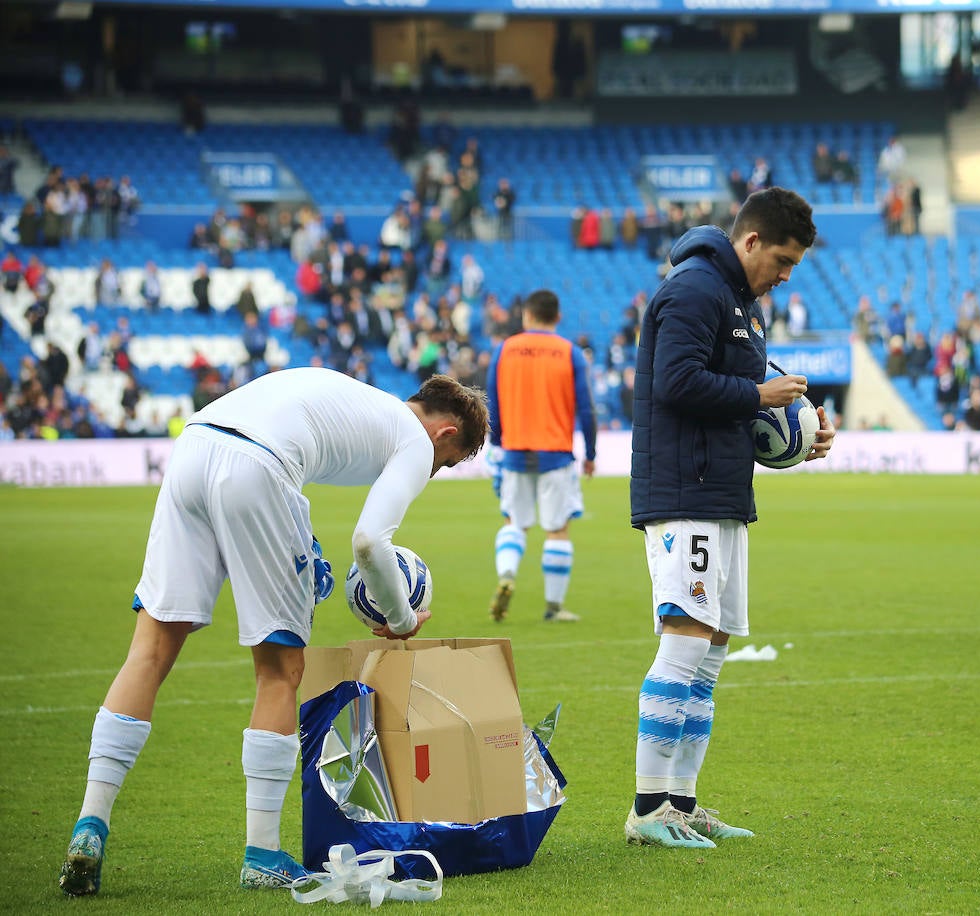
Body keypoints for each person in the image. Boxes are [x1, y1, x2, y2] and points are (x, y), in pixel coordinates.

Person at [58, 368, 489, 897]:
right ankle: (262, 852)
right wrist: (400, 620)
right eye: (443, 466)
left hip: (194, 444)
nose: (431, 472)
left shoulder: (360, 398)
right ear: (446, 435)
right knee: (281, 671)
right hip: (258, 465)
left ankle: (90, 823)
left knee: (148, 651)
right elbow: (370, 542)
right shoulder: (414, 440)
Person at [624, 187, 835, 849]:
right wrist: (758, 394)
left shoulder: (742, 302)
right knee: (684, 645)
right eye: (782, 258)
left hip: (721, 495)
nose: (786, 274)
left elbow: (735, 406)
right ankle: (647, 809)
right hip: (683, 493)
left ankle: (682, 804)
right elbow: (675, 383)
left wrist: (798, 437)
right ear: (749, 243)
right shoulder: (694, 290)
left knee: (710, 656)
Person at [485, 289, 598, 624]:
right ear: (557, 317)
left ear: (526, 316)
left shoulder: (505, 350)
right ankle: (553, 606)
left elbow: (493, 400)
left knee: (513, 522)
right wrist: (590, 453)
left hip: (516, 450)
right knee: (557, 529)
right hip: (555, 453)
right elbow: (586, 408)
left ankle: (507, 575)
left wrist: (498, 442)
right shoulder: (570, 353)